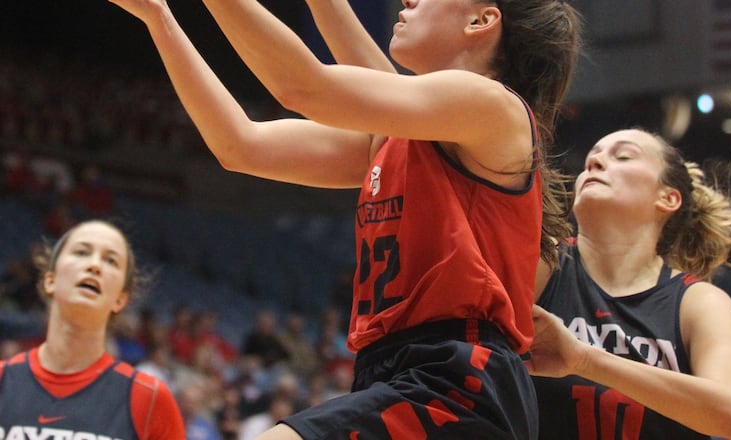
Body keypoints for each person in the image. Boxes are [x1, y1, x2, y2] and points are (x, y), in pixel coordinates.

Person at [105, 0, 583, 438]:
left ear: (482, 20)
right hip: (392, 370)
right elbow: (238, 144)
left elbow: (304, 85)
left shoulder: (494, 107)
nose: (408, 0)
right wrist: (159, 17)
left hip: (460, 376)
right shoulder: (399, 139)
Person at [524, 128, 731, 439]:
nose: (594, 163)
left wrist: (584, 360)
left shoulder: (700, 303)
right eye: (591, 159)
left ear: (667, 198)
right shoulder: (541, 263)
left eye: (623, 156)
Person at [0, 220, 185, 439]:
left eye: (111, 261)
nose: (94, 266)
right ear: (50, 280)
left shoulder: (150, 399)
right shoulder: (4, 380)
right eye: (81, 252)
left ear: (120, 299)